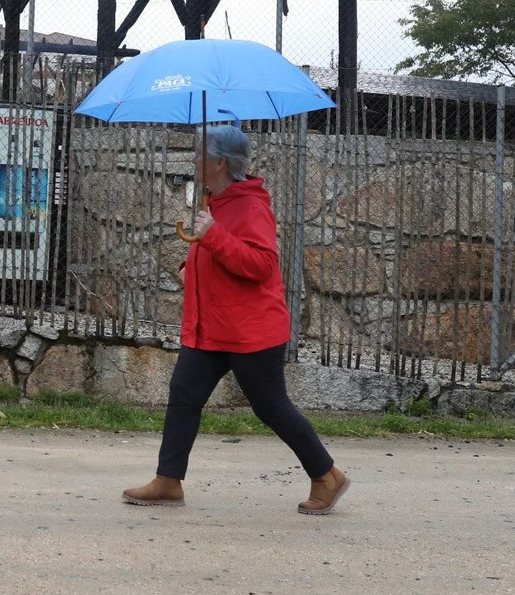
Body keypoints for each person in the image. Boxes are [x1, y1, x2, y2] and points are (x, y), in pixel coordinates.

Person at [121, 124, 349, 515]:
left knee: (271, 406)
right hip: (212, 328)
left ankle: (327, 476)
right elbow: (218, 257)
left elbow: (261, 265)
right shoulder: (215, 201)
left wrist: (211, 235)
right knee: (184, 395)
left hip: (250, 331)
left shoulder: (250, 205)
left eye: (199, 153)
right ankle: (169, 480)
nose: (193, 159)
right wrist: (187, 266)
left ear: (220, 161)